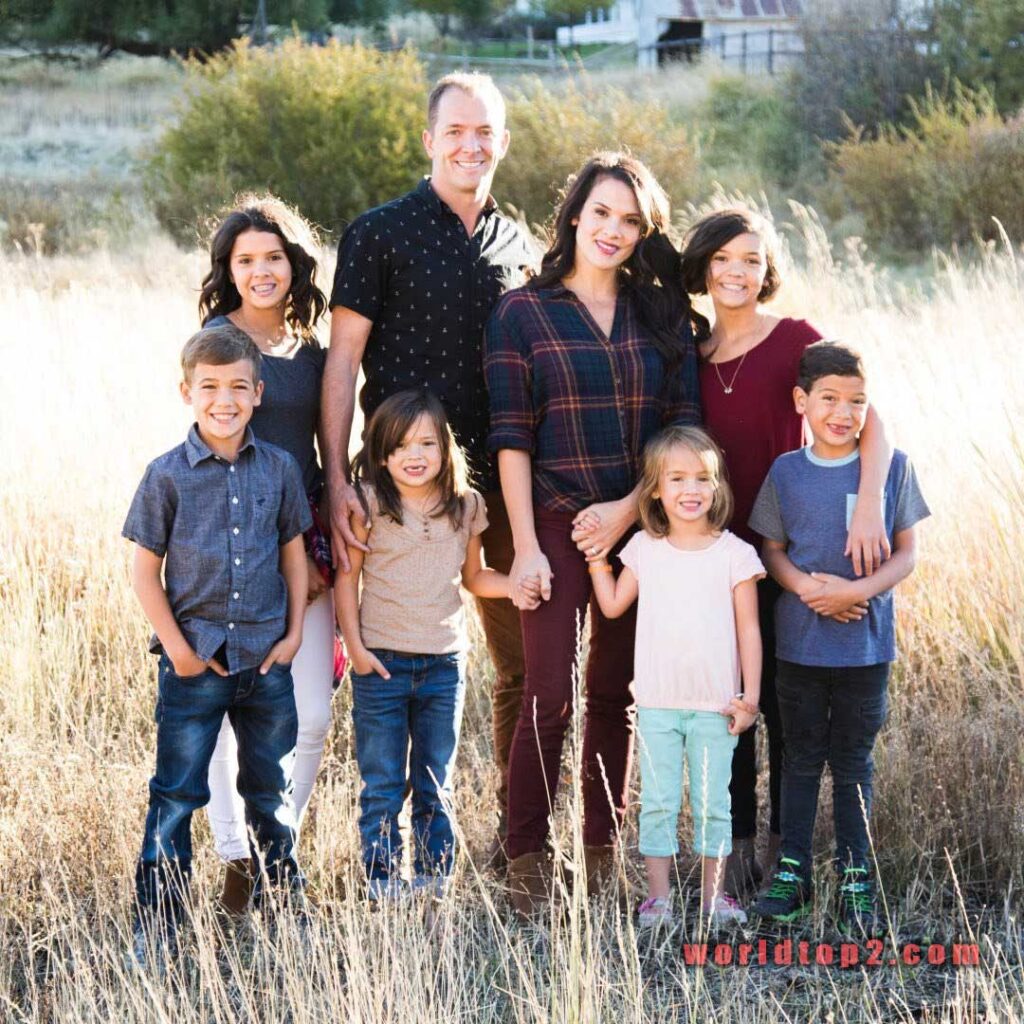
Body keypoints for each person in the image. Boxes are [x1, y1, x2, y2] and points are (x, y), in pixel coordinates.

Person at [322, 72, 537, 867]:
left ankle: (519, 842)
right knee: (388, 660)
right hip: (395, 488)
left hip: (499, 490)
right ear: (429, 140)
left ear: (503, 142)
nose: (471, 145)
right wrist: (338, 479)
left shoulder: (519, 244)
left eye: (486, 132)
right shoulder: (380, 232)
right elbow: (342, 362)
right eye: (456, 131)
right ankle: (368, 848)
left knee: (518, 667)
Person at [484, 152, 702, 916]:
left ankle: (601, 852)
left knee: (614, 694)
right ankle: (526, 863)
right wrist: (529, 546)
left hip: (639, 524)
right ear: (575, 214)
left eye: (631, 221)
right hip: (549, 519)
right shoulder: (523, 312)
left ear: (645, 233)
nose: (613, 231)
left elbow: (684, 433)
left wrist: (628, 507)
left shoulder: (660, 316)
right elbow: (509, 437)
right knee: (549, 694)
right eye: (602, 213)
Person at [680, 207, 893, 896]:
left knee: (784, 703)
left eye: (750, 259)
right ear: (703, 267)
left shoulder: (797, 340)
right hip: (717, 557)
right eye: (722, 259)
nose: (736, 272)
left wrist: (866, 498)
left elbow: (866, 415)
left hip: (790, 553)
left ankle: (784, 848)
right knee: (729, 703)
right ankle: (736, 844)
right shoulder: (689, 355)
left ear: (766, 269)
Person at [122, 327, 310, 964]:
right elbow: (145, 572)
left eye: (237, 386)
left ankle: (285, 914)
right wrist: (177, 649)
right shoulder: (166, 476)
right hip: (194, 661)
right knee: (175, 796)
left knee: (270, 793)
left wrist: (293, 635)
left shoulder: (280, 469)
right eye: (209, 387)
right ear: (186, 392)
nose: (223, 399)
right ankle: (160, 926)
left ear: (258, 393)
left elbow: (293, 556)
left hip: (264, 662)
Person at [749, 342, 929, 933]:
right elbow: (771, 551)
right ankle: (792, 874)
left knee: (854, 761)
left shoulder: (892, 468)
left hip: (866, 648)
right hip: (798, 644)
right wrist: (805, 587)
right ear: (802, 401)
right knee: (799, 758)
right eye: (829, 399)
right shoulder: (786, 473)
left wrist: (857, 592)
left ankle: (856, 877)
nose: (842, 413)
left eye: (856, 402)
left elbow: (906, 556)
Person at [198, 195, 334, 915]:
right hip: (233, 542)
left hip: (305, 542)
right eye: (245, 259)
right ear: (228, 268)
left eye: (273, 257)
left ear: (294, 263)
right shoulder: (219, 341)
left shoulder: (313, 345)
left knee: (311, 714)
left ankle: (277, 841)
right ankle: (235, 858)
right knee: (228, 711)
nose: (261, 270)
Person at [335, 389, 519, 899]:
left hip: (443, 664)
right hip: (381, 663)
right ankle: (382, 880)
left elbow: (475, 577)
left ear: (445, 449)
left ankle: (435, 878)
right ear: (380, 453)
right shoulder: (368, 504)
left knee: (436, 782)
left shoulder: (466, 507)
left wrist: (515, 583)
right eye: (399, 447)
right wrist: (355, 646)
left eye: (426, 444)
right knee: (383, 782)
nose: (413, 457)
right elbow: (346, 581)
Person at [588, 426, 764, 929]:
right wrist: (598, 561)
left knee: (714, 804)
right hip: (658, 704)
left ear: (717, 486)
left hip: (716, 705)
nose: (691, 490)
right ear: (656, 490)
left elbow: (749, 630)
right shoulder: (645, 547)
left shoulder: (735, 554)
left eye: (702, 478)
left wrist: (748, 697)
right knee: (660, 802)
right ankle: (659, 900)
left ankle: (713, 900)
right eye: (678, 478)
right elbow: (613, 604)